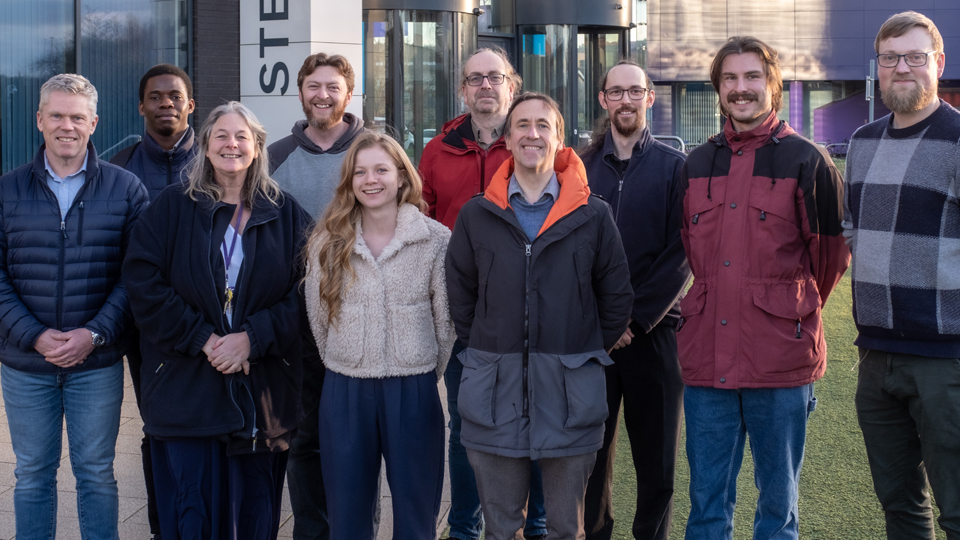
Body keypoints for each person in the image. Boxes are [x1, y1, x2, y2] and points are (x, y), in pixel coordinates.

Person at [677, 36, 849, 539]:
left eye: (752, 77)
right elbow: (694, 252)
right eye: (729, 79)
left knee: (778, 507)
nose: (741, 89)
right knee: (707, 504)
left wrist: (780, 310)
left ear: (772, 85)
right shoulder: (695, 165)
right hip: (707, 360)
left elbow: (829, 261)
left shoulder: (809, 161)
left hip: (780, 360)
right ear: (718, 89)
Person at [445, 92, 634, 540]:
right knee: (500, 528)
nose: (533, 134)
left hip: (571, 394)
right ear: (507, 140)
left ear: (560, 139)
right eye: (523, 125)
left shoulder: (594, 215)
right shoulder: (477, 214)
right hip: (495, 392)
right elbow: (461, 296)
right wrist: (492, 346)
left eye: (543, 125)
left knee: (566, 528)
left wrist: (583, 350)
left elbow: (616, 298)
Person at [122, 101, 312, 539]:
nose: (231, 144)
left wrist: (253, 338)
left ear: (257, 146)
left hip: (260, 397)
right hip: (186, 389)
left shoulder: (285, 213)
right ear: (205, 147)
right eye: (221, 136)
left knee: (254, 515)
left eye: (241, 136)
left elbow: (307, 294)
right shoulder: (172, 207)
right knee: (192, 516)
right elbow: (142, 281)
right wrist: (203, 339)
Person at [0, 73, 148, 540]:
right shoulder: (6, 191)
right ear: (40, 119)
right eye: (58, 116)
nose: (68, 126)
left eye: (78, 117)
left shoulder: (127, 190)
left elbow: (138, 276)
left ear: (94, 123)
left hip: (97, 363)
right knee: (32, 476)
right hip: (25, 363)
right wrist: (34, 335)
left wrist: (95, 334)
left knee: (97, 475)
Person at [419, 47, 548, 540]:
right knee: (467, 427)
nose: (485, 86)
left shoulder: (539, 143)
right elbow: (422, 224)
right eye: (475, 79)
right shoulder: (437, 151)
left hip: (530, 316)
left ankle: (535, 526)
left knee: (536, 423)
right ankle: (465, 528)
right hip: (463, 316)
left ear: (511, 85)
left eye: (495, 77)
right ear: (463, 91)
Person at [304, 131, 455, 540]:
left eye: (381, 170)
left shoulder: (435, 241)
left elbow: (446, 324)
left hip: (413, 389)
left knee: (416, 514)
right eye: (360, 172)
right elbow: (318, 318)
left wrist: (419, 367)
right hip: (345, 390)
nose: (371, 180)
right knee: (348, 518)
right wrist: (347, 357)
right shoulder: (328, 242)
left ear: (402, 178)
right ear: (350, 182)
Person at [844, 11, 960, 538]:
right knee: (900, 507)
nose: (901, 68)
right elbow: (854, 229)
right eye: (889, 58)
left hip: (946, 359)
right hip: (876, 356)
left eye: (914, 57)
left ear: (938, 63)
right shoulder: (863, 143)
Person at [579, 60, 690, 540]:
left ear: (649, 98)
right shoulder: (577, 170)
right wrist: (605, 321)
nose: (626, 100)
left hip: (654, 333)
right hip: (590, 336)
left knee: (657, 461)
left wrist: (636, 318)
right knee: (590, 458)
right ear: (603, 99)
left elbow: (683, 251)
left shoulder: (675, 168)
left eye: (635, 91)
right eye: (616, 92)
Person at [267, 53, 367, 540]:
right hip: (298, 323)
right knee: (304, 437)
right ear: (301, 92)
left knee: (358, 439)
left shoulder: (374, 150)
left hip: (363, 318)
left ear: (349, 94)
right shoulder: (275, 157)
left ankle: (357, 529)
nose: (322, 94)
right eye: (313, 86)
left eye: (332, 86)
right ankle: (311, 530)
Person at [110, 63, 197, 540]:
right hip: (146, 334)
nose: (166, 103)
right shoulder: (120, 170)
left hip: (213, 328)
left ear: (190, 105)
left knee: (213, 428)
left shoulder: (219, 159)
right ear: (142, 106)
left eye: (174, 95)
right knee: (158, 431)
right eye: (156, 96)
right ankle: (165, 527)